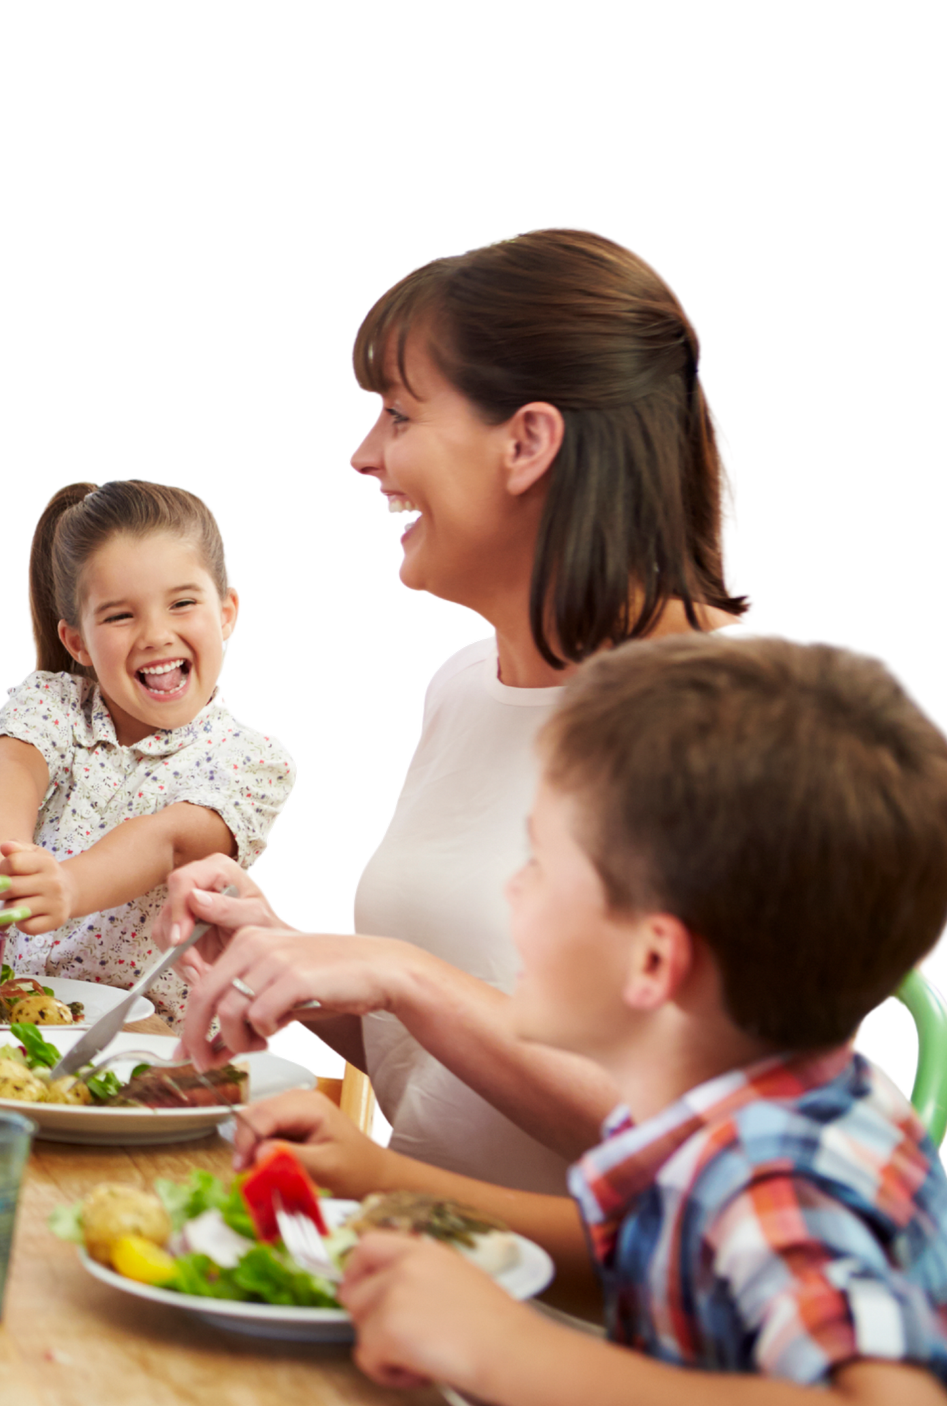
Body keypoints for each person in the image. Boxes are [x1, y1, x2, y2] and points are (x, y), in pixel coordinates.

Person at [152, 226, 748, 1193]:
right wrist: (287, 959)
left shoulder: (743, 731)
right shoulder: (465, 682)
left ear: (527, 442)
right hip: (415, 1279)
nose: (362, 455)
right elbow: (435, 1065)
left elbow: (708, 1164)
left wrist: (403, 976)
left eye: (398, 413)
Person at [242, 633, 947, 1401]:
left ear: (653, 961)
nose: (510, 891)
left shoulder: (782, 1167)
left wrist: (504, 1349)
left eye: (539, 863)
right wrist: (385, 1181)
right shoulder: (714, 1116)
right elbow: (638, 1269)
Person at [0, 479, 295, 1021]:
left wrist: (66, 887)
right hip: (13, 1021)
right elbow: (12, 765)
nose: (155, 635)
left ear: (226, 613)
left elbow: (168, 841)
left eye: (182, 603)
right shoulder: (54, 702)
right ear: (78, 642)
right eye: (121, 616)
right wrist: (2, 858)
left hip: (155, 1048)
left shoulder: (251, 758)